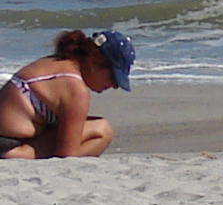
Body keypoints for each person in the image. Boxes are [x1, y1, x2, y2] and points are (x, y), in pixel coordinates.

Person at [1, 29, 134, 159]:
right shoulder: (74, 87)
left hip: (9, 138)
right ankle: (18, 155)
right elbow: (66, 156)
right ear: (94, 60)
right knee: (102, 130)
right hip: (9, 148)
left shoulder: (58, 63)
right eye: (113, 78)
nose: (114, 86)